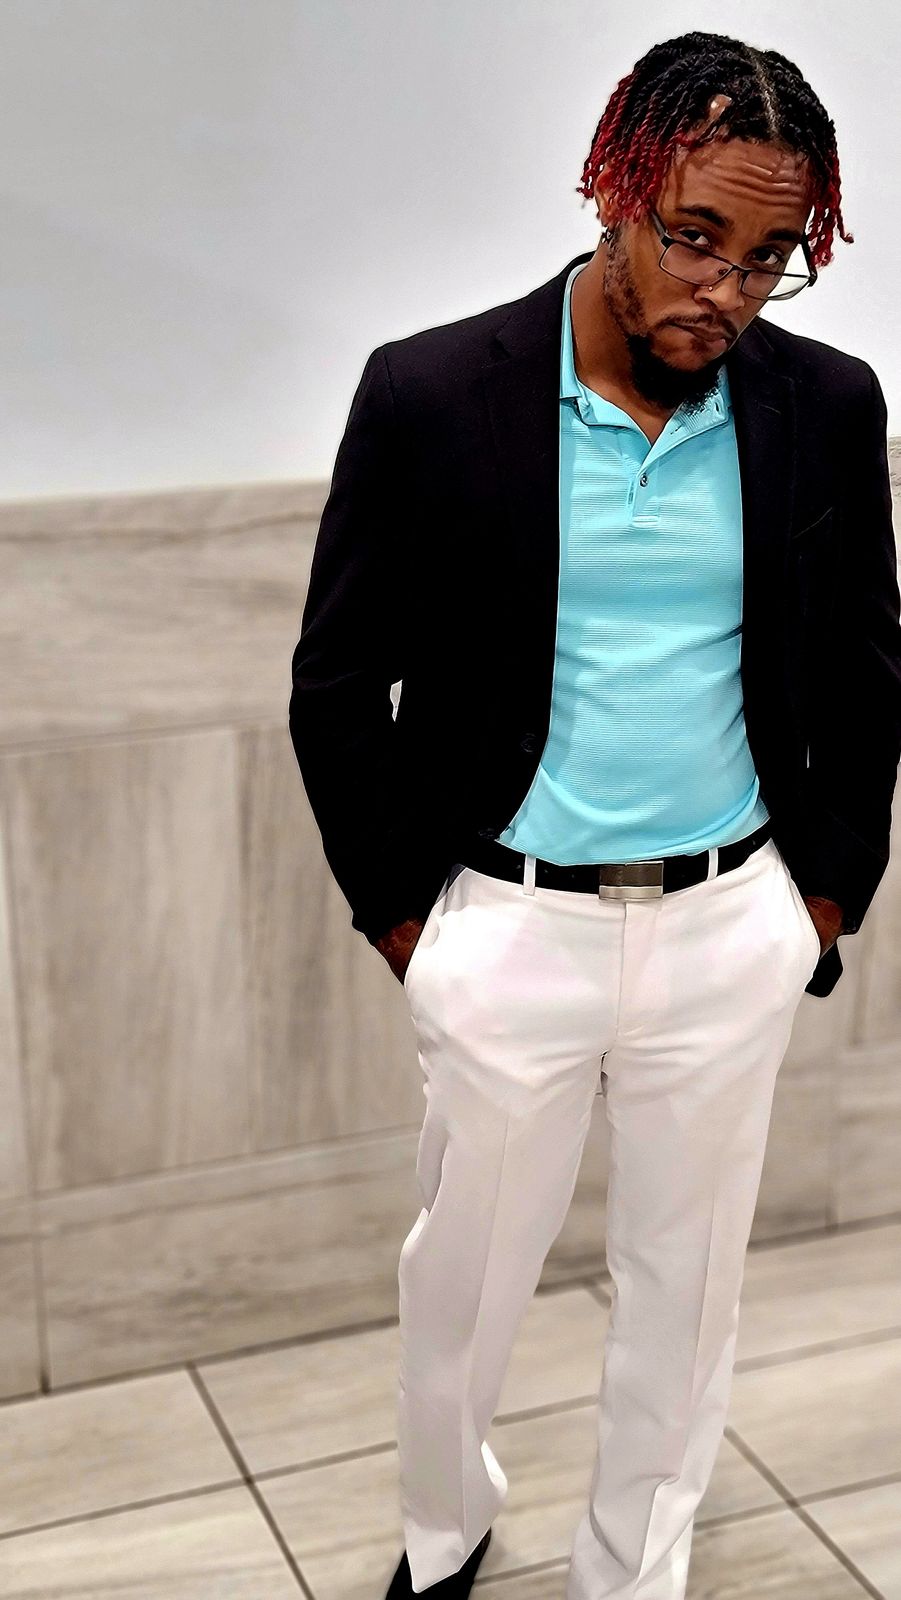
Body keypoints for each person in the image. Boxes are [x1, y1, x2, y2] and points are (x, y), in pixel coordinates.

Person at [289, 29, 901, 1600]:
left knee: (685, 1296)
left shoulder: (825, 404)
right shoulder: (434, 392)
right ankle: (443, 1533)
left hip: (727, 923)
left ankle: (636, 1568)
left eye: (767, 258)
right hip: (507, 925)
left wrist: (818, 900)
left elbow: (866, 667)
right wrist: (409, 923)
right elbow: (338, 682)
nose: (725, 289)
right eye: (693, 237)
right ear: (615, 193)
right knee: (462, 1289)